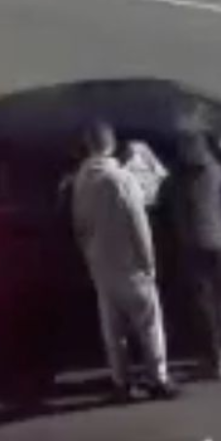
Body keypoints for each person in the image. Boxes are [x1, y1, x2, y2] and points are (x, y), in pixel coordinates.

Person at [72, 121, 178, 402]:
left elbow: (79, 225)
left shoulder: (81, 178)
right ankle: (158, 379)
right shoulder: (122, 180)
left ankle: (122, 382)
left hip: (100, 265)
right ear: (111, 144)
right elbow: (138, 224)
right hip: (130, 264)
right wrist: (149, 263)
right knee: (149, 323)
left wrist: (89, 256)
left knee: (113, 328)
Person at [166, 127, 221, 380]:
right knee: (219, 299)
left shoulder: (179, 181)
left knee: (204, 304)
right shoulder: (216, 171)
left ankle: (215, 358)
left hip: (195, 245)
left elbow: (173, 211)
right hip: (219, 242)